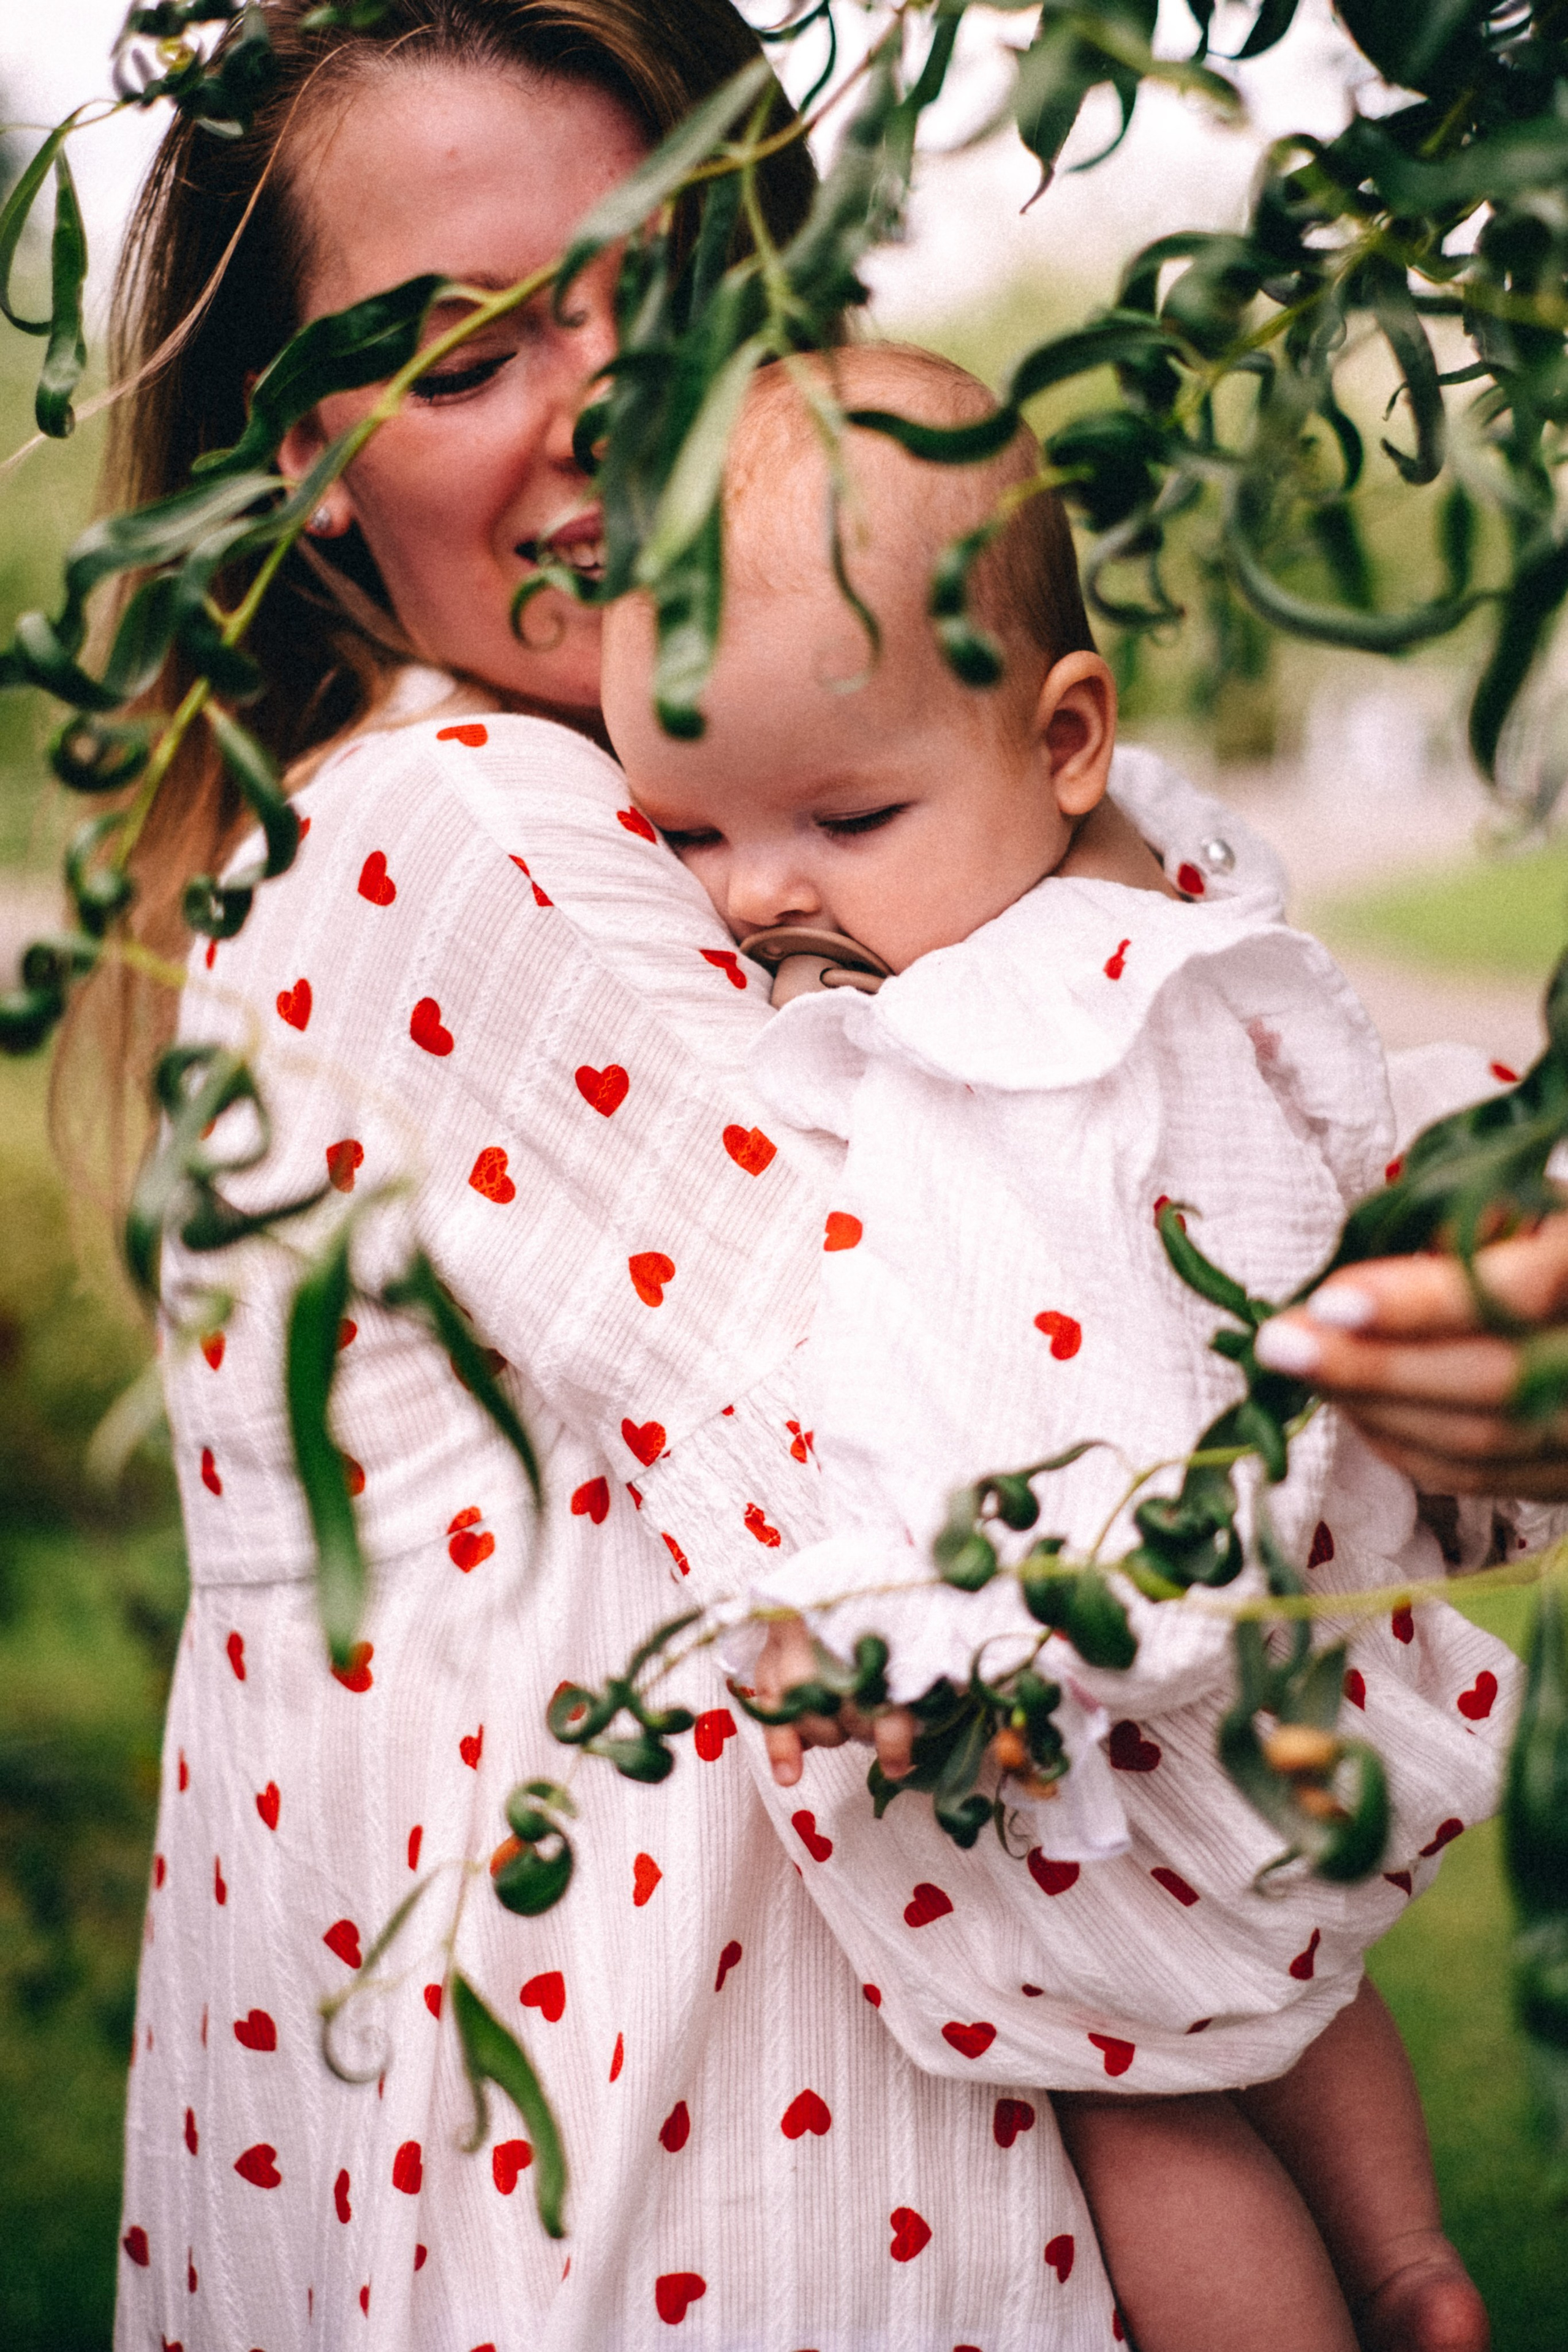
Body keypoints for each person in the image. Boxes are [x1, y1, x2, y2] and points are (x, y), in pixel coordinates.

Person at [97, 7, 1431, 2349]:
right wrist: (1447, 1384)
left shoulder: (644, 816)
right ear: (293, 463)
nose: (610, 395)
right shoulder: (467, 835)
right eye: (471, 346)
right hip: (718, 2220)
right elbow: (1056, 1471)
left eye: (674, 276)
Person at [600, 344, 1512, 2352]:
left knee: (1127, 2094)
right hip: (1258, 1676)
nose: (763, 899)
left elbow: (1109, 1425)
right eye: (686, 835)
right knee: (1280, 1978)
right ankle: (1413, 2266)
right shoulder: (1165, 908)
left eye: (846, 813)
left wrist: (901, 1637)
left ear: (1067, 733)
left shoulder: (1015, 1048)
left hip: (1093, 1663)